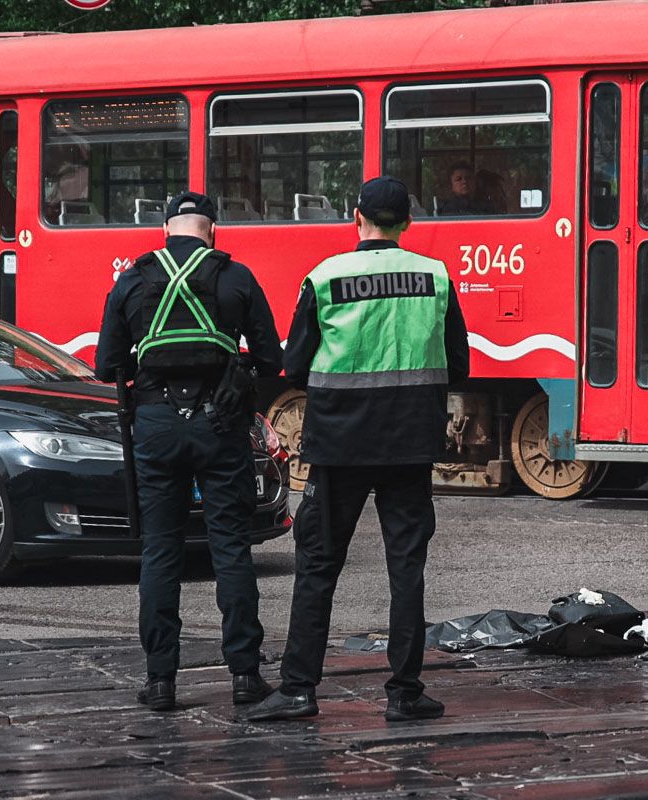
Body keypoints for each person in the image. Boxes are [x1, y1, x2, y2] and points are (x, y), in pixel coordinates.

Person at [240, 176, 469, 723]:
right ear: (408, 223)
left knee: (318, 566)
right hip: (410, 446)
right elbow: (457, 366)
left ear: (356, 217)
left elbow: (293, 366)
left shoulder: (325, 277)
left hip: (339, 446)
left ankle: (299, 689)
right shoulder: (435, 277)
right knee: (406, 568)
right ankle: (405, 691)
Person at [94, 192, 283, 712]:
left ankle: (160, 682)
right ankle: (245, 675)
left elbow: (106, 363)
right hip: (220, 424)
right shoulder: (236, 276)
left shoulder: (132, 279)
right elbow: (271, 358)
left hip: (154, 424)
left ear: (165, 233)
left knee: (160, 550)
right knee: (230, 549)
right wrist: (232, 369)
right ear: (213, 232)